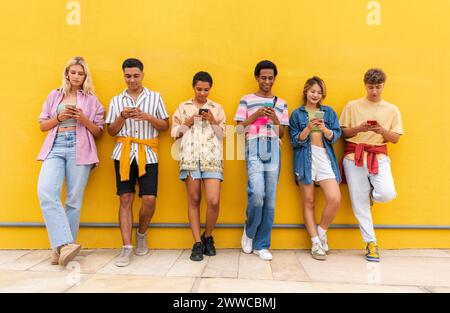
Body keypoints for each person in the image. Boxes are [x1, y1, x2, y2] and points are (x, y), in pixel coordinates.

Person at [37, 56, 104, 266]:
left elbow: (99, 132)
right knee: (46, 191)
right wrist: (60, 118)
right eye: (73, 72)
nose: (76, 76)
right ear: (67, 73)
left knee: (73, 201)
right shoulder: (54, 95)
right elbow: (42, 125)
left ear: (85, 76)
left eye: (80, 73)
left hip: (80, 149)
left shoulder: (92, 100)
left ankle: (62, 250)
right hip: (55, 147)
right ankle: (65, 243)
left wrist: (83, 119)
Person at [106, 58, 169, 267]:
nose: (131, 80)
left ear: (142, 74)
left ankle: (141, 233)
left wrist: (147, 117)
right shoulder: (116, 100)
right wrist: (123, 116)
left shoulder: (155, 97)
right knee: (125, 199)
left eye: (135, 75)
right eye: (127, 76)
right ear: (123, 75)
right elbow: (111, 131)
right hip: (123, 153)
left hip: (148, 153)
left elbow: (165, 126)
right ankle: (126, 248)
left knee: (149, 199)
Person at [340, 68, 403, 262]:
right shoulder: (352, 106)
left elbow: (395, 139)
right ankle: (371, 244)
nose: (374, 91)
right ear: (364, 85)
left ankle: (371, 194)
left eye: (378, 87)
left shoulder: (392, 109)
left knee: (386, 193)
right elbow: (344, 133)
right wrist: (360, 128)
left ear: (384, 85)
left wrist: (381, 130)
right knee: (359, 204)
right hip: (354, 156)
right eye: (370, 87)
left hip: (379, 155)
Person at [234, 60, 289, 261]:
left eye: (270, 78)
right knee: (257, 194)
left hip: (273, 146)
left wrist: (275, 119)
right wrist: (256, 115)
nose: (267, 81)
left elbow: (281, 134)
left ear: (275, 78)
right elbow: (239, 129)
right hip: (254, 145)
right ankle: (249, 231)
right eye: (263, 77)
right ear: (257, 78)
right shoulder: (246, 100)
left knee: (270, 199)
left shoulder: (281, 103)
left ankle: (262, 244)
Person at [171, 71, 226, 261]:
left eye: (206, 90)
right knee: (194, 199)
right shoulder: (183, 107)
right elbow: (175, 134)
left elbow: (222, 135)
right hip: (190, 158)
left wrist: (212, 121)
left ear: (210, 89)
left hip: (212, 158)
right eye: (199, 89)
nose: (202, 93)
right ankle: (197, 242)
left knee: (213, 200)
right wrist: (189, 120)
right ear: (193, 87)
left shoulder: (217, 108)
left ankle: (208, 235)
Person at [289, 77, 342, 261]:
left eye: (319, 92)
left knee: (334, 198)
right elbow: (295, 141)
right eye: (312, 91)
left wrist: (325, 129)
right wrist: (308, 129)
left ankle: (321, 232)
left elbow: (335, 136)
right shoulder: (297, 114)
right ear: (306, 91)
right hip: (304, 159)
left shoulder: (328, 112)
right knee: (309, 202)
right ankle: (315, 243)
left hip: (324, 158)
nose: (315, 95)